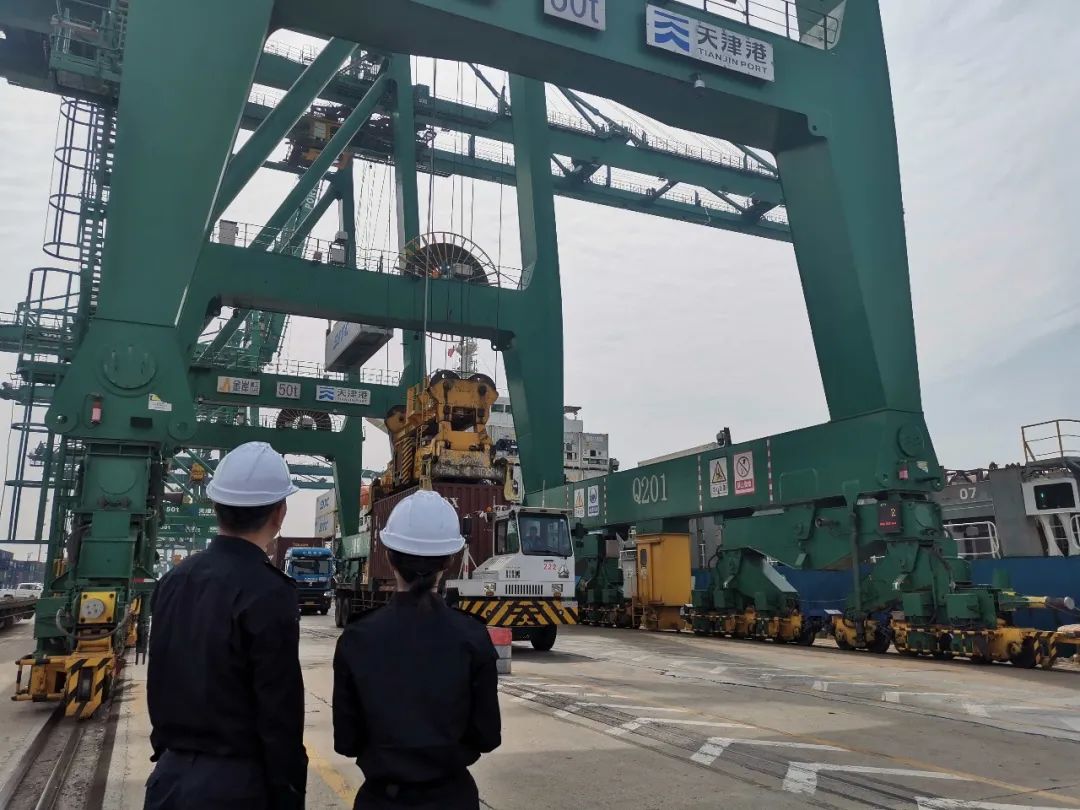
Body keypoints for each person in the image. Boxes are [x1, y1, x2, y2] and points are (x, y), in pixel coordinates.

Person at [144, 442, 307, 810]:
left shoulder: (173, 580)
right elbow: (279, 713)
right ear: (279, 513)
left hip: (168, 779)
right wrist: (289, 793)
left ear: (216, 506)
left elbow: (160, 675)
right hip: (237, 785)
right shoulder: (269, 591)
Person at [333, 489, 502, 809]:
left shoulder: (357, 638)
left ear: (388, 557)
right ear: (449, 561)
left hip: (381, 801)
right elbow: (487, 737)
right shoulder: (472, 637)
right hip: (452, 799)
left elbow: (347, 742)